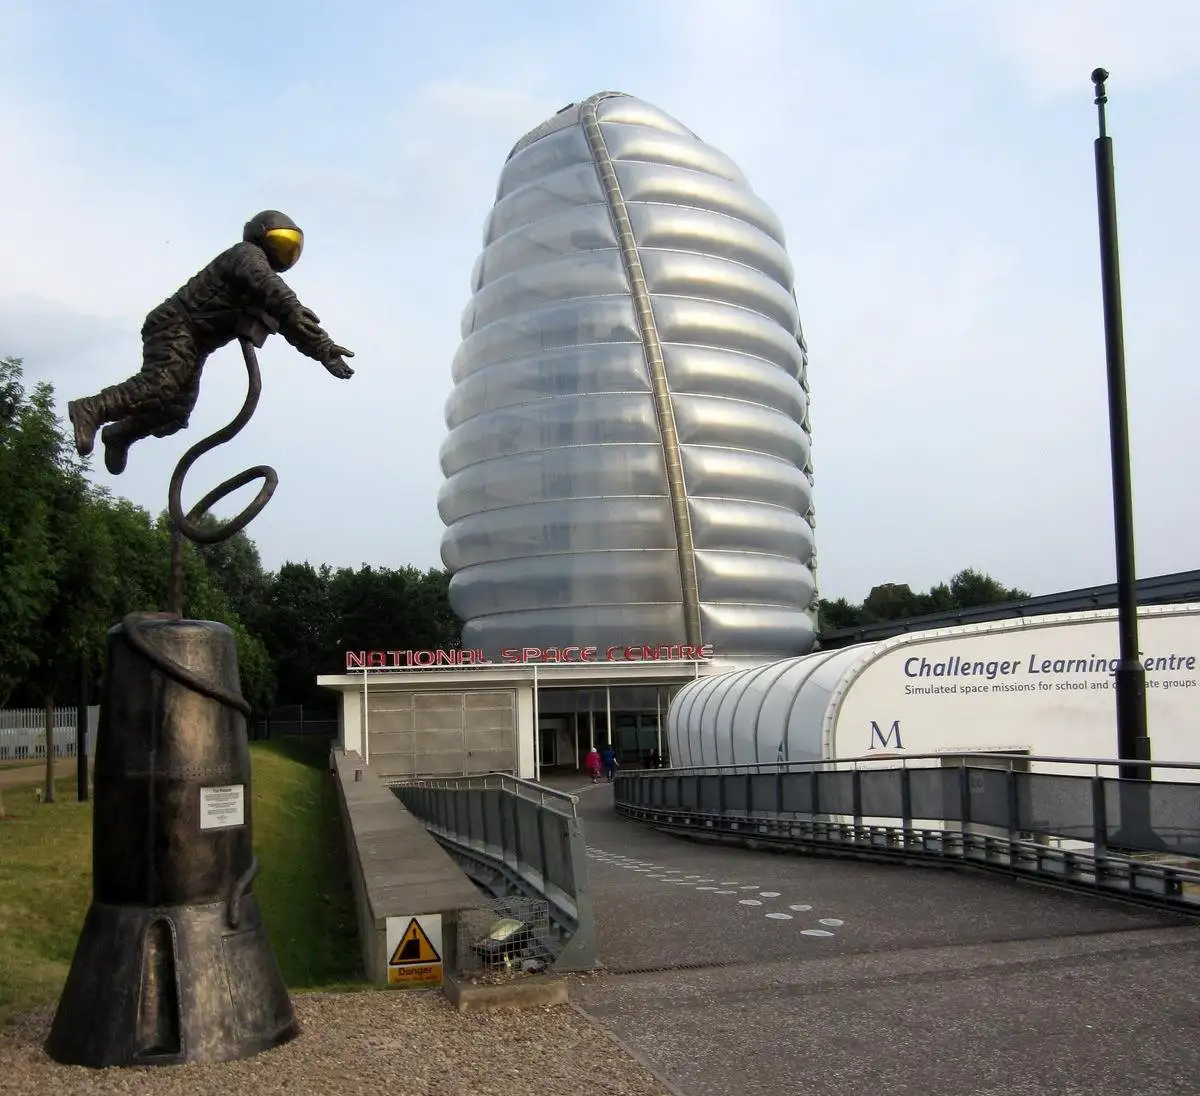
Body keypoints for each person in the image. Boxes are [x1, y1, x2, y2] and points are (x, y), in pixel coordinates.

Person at [67, 210, 355, 476]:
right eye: (281, 240)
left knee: (176, 412)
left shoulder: (261, 290)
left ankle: (120, 434)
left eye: (292, 246)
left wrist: (323, 350)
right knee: (162, 384)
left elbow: (288, 321)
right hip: (177, 325)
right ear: (260, 234)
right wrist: (300, 319)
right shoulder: (246, 256)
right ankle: (92, 408)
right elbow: (277, 294)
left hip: (196, 345)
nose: (285, 251)